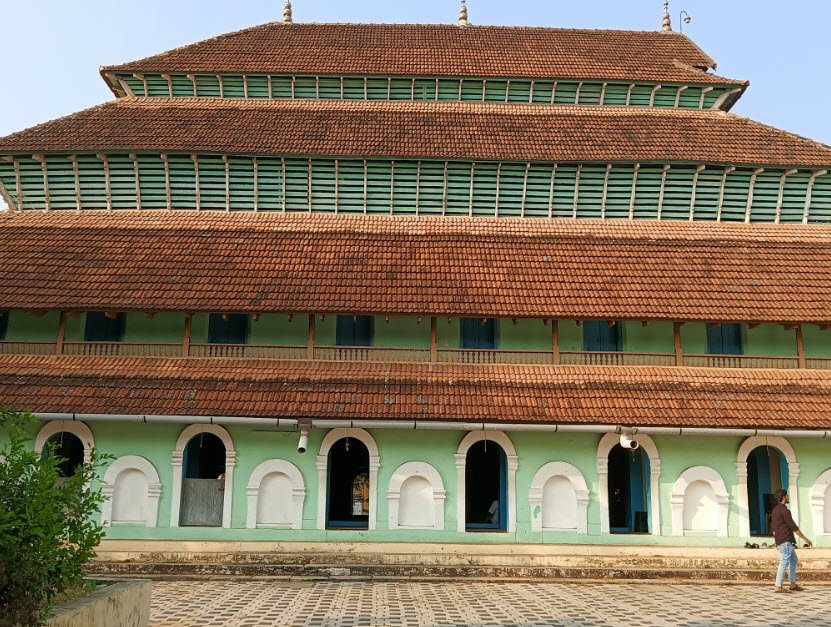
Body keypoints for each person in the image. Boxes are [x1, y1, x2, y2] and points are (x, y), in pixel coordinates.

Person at [770, 488, 812, 592]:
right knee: (784, 562)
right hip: (785, 541)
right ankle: (778, 586)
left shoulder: (775, 510)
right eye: (786, 495)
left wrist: (776, 541)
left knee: (793, 560)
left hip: (782, 540)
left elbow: (773, 528)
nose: (788, 497)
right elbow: (793, 527)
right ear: (783, 497)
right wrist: (806, 539)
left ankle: (793, 584)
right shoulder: (784, 510)